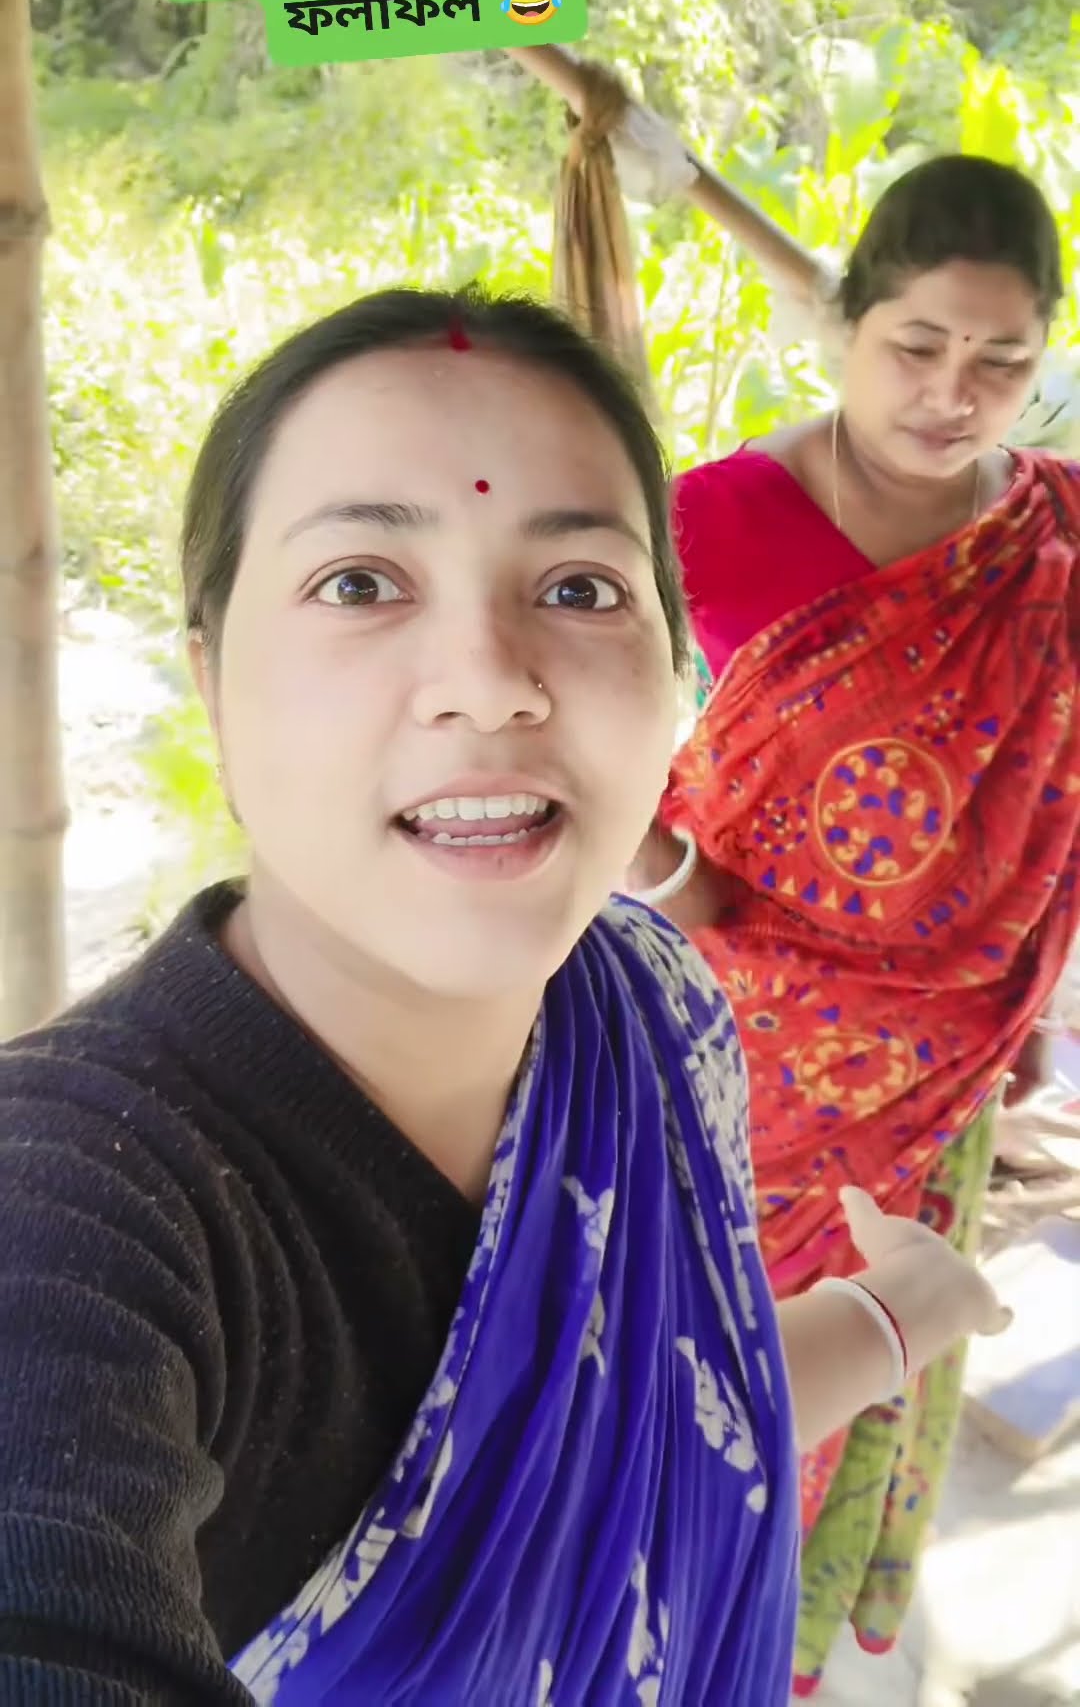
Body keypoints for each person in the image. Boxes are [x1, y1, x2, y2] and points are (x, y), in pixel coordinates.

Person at [0, 288, 1007, 1706]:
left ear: (677, 674)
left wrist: (898, 1311)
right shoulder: (75, 1201)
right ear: (212, 680)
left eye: (581, 589)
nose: (488, 685)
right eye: (360, 583)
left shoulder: (647, 1000)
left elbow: (658, 1439)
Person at [630, 155, 1080, 1696]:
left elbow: (1050, 791)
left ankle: (778, 1641)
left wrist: (1017, 1004)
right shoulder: (711, 523)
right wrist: (676, 885)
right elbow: (586, 750)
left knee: (868, 1356)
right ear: (846, 326)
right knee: (688, 1344)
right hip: (727, 1049)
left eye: (1002, 360)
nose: (954, 394)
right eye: (918, 345)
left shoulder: (1049, 538)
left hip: (942, 1062)